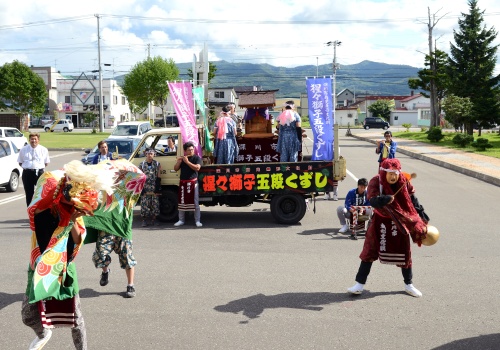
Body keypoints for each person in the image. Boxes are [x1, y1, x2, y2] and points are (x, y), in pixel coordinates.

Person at [21, 160, 115, 350]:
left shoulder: (76, 214)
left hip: (63, 267)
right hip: (40, 264)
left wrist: (71, 219)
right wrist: (57, 196)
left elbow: (79, 239)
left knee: (75, 319)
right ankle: (44, 332)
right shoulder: (46, 201)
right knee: (28, 315)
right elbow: (35, 215)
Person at [347, 158, 428, 298]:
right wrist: (383, 199)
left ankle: (409, 284)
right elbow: (372, 200)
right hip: (379, 221)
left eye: (395, 173)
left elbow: (413, 200)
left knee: (405, 253)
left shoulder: (404, 182)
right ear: (383, 172)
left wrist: (421, 215)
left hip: (400, 221)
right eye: (389, 173)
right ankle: (359, 284)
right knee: (368, 252)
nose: (393, 176)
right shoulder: (375, 181)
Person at [83, 159, 146, 300]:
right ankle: (105, 271)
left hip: (123, 230)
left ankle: (130, 285)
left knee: (128, 259)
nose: (118, 177)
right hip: (106, 229)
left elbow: (141, 180)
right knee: (100, 256)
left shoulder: (130, 191)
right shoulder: (103, 190)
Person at [174, 142, 203, 227]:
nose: (191, 151)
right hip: (183, 182)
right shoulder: (183, 159)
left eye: (192, 149)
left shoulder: (197, 158)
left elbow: (197, 168)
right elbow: (175, 169)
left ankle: (197, 220)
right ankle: (181, 220)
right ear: (185, 151)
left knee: (195, 203)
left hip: (193, 182)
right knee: (182, 202)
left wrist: (187, 162)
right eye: (189, 150)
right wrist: (179, 162)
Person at [17, 132, 50, 206]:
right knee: (29, 194)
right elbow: (20, 162)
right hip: (27, 173)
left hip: (39, 173)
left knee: (41, 194)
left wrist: (38, 167)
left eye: (35, 139)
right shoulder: (24, 149)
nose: (33, 141)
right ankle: (30, 212)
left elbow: (46, 163)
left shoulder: (43, 149)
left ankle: (40, 212)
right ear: (29, 140)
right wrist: (28, 167)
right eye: (32, 139)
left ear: (38, 140)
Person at [138, 148, 162, 227]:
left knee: (155, 204)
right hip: (145, 187)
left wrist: (157, 187)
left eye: (151, 154)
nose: (149, 155)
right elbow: (140, 177)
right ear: (146, 154)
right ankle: (144, 220)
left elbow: (159, 176)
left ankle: (154, 220)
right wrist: (142, 189)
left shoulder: (157, 164)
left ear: (154, 154)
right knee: (144, 204)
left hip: (154, 186)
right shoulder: (141, 164)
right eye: (148, 154)